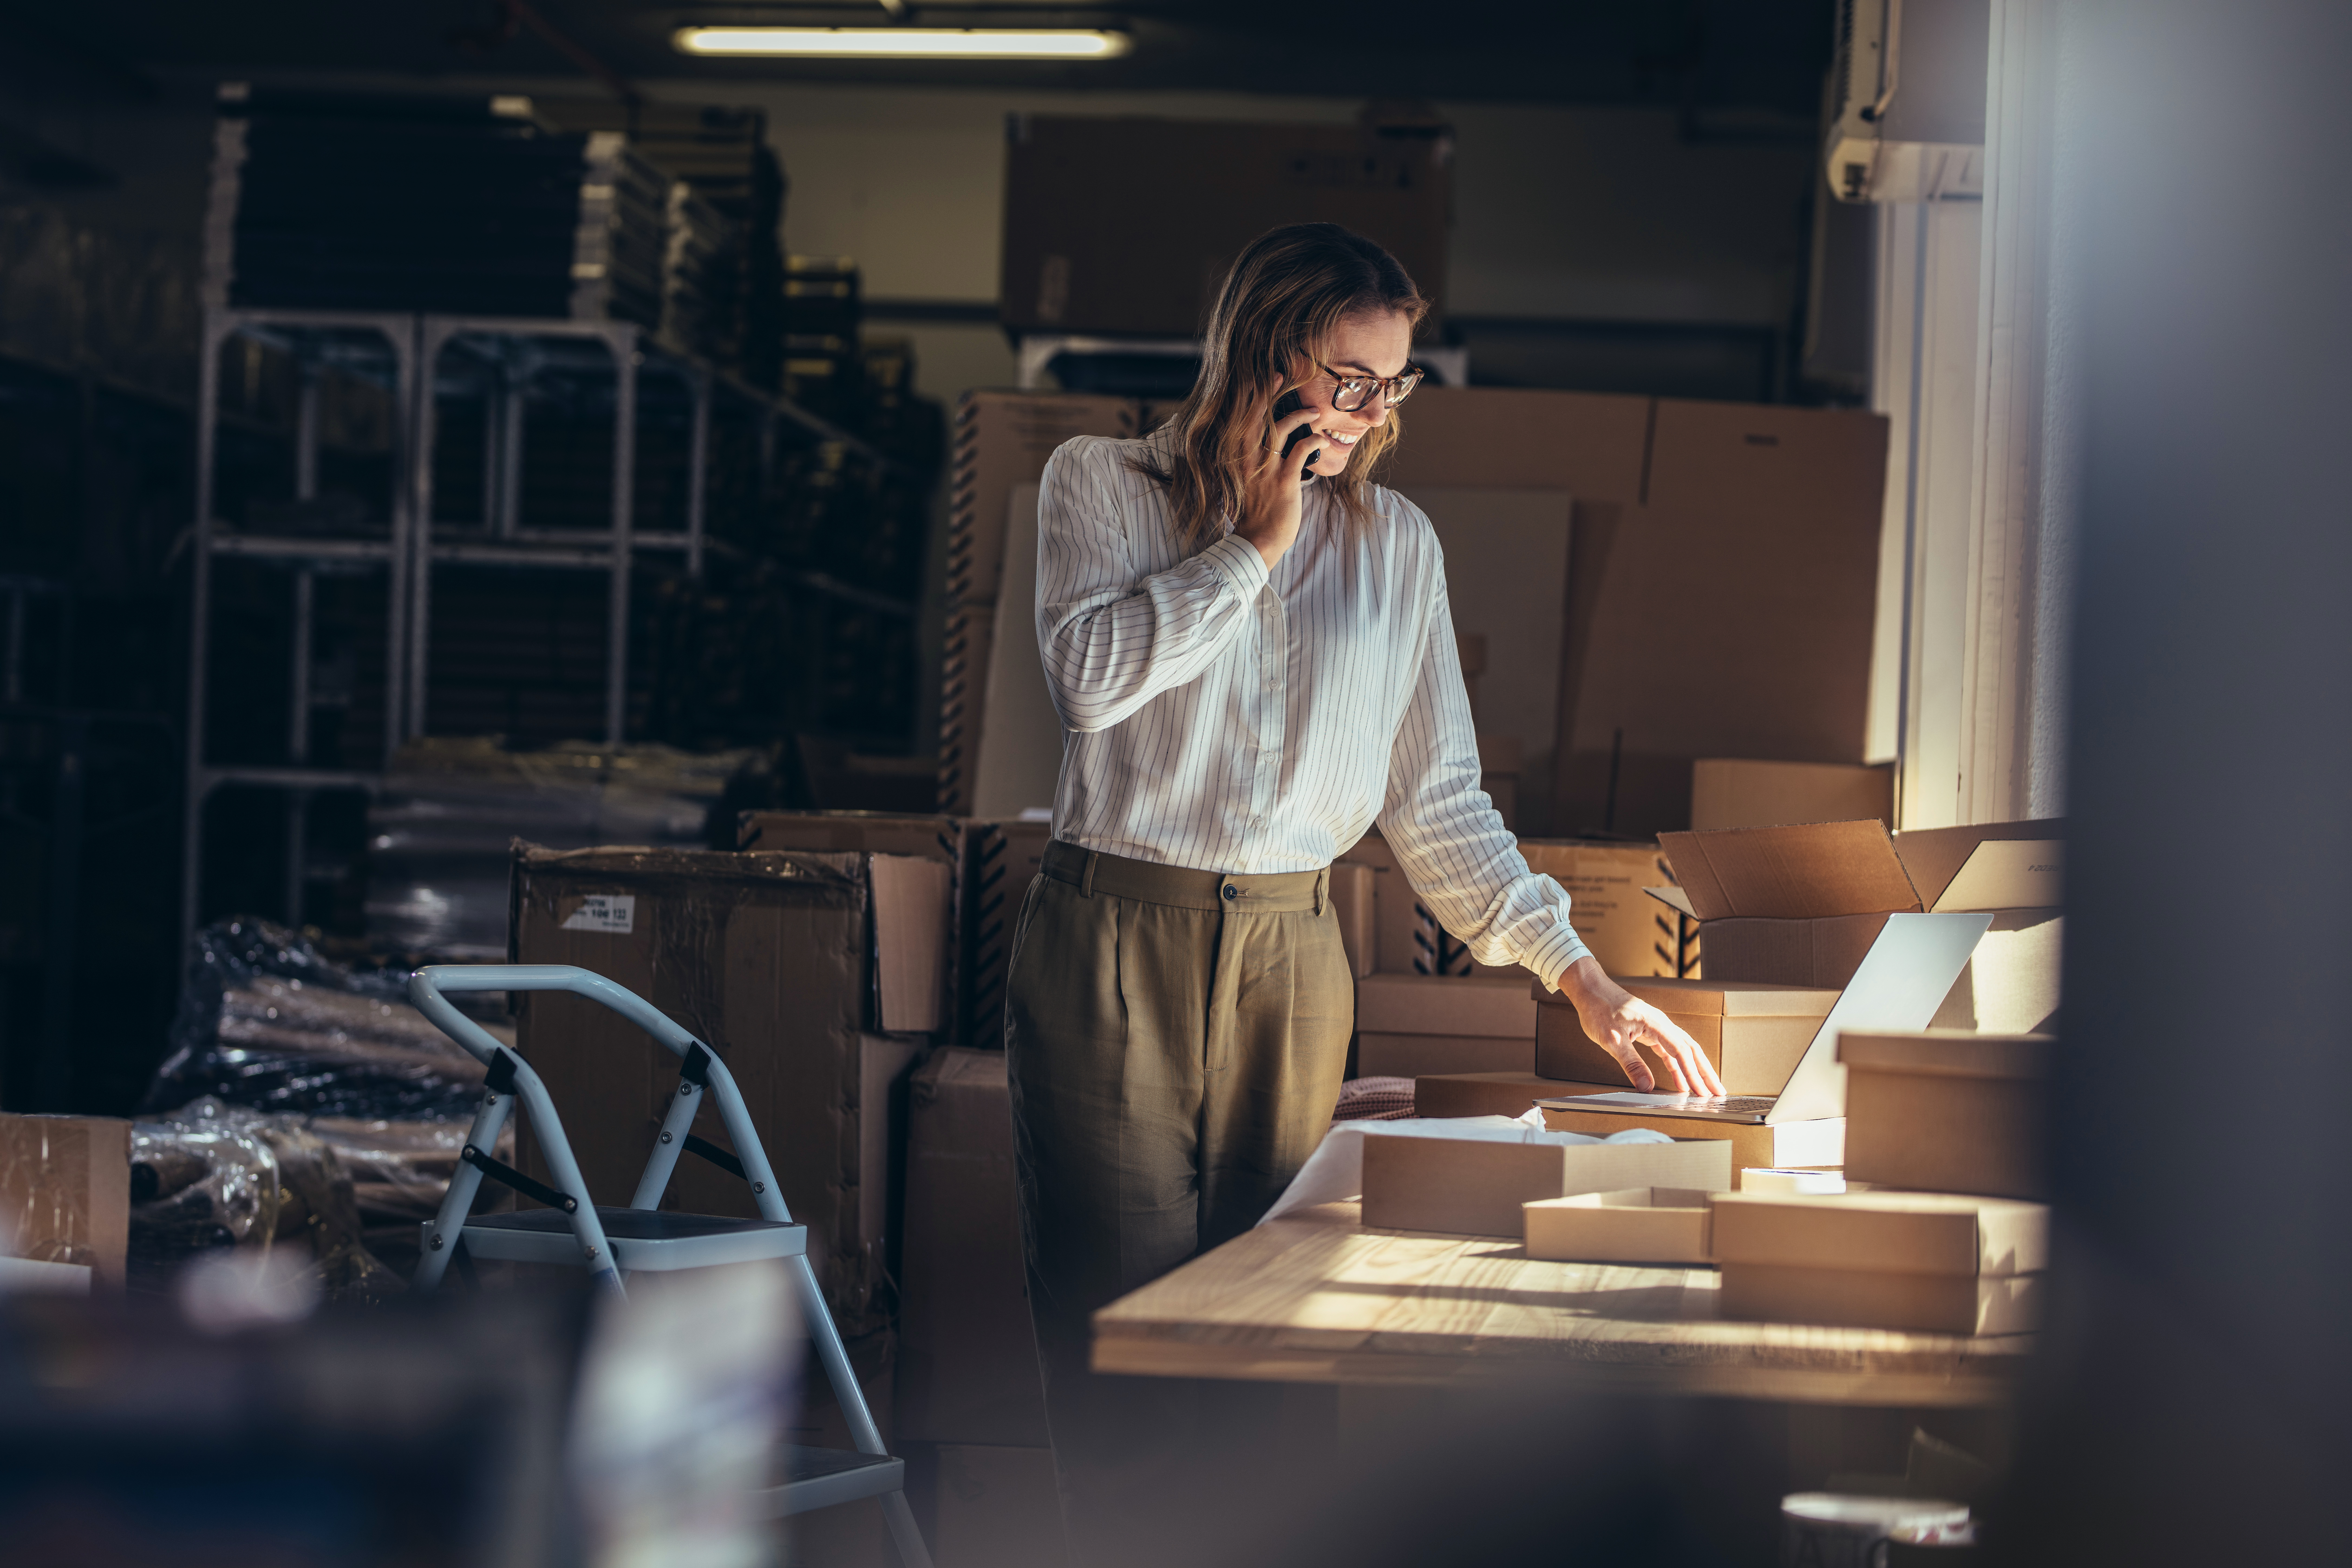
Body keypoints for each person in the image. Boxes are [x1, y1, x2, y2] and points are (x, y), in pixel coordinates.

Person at [1001, 221, 1723, 1564]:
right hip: (1115, 935)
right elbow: (1090, 685)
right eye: (1350, 377)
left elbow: (1437, 799)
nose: (1374, 412)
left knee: (1277, 1329)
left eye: (1395, 384)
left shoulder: (1397, 545)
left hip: (1292, 951)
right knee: (1120, 1327)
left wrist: (1586, 975)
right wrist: (1256, 545)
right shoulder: (1103, 481)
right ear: (1266, 353)